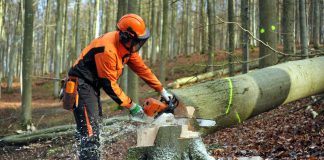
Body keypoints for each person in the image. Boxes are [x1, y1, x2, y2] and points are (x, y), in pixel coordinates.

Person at [67, 13, 173, 160]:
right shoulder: (108, 50)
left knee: (94, 129)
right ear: (126, 37)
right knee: (90, 134)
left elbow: (142, 69)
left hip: (91, 87)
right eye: (136, 41)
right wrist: (133, 107)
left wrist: (161, 89)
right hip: (82, 85)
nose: (138, 45)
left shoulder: (128, 48)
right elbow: (110, 86)